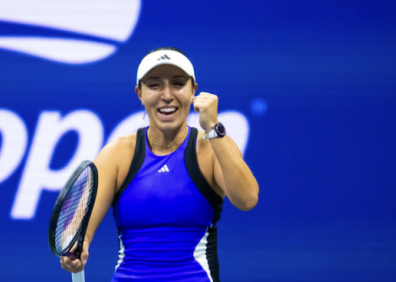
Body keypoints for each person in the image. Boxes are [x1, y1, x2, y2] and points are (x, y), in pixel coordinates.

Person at [60, 47, 259, 281]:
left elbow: (247, 200)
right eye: (154, 85)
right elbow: (77, 233)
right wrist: (74, 248)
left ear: (193, 90)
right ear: (139, 93)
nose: (167, 95)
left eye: (177, 84)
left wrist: (213, 128)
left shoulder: (212, 147)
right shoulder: (118, 155)